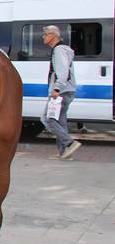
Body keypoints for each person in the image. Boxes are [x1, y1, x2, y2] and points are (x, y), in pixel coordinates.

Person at [40, 25, 81, 159]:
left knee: (48, 118)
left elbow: (62, 72)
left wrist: (56, 89)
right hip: (67, 90)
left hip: (61, 91)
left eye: (45, 34)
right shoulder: (63, 50)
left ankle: (69, 143)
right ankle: (65, 153)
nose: (43, 37)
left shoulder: (59, 50)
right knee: (60, 120)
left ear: (53, 35)